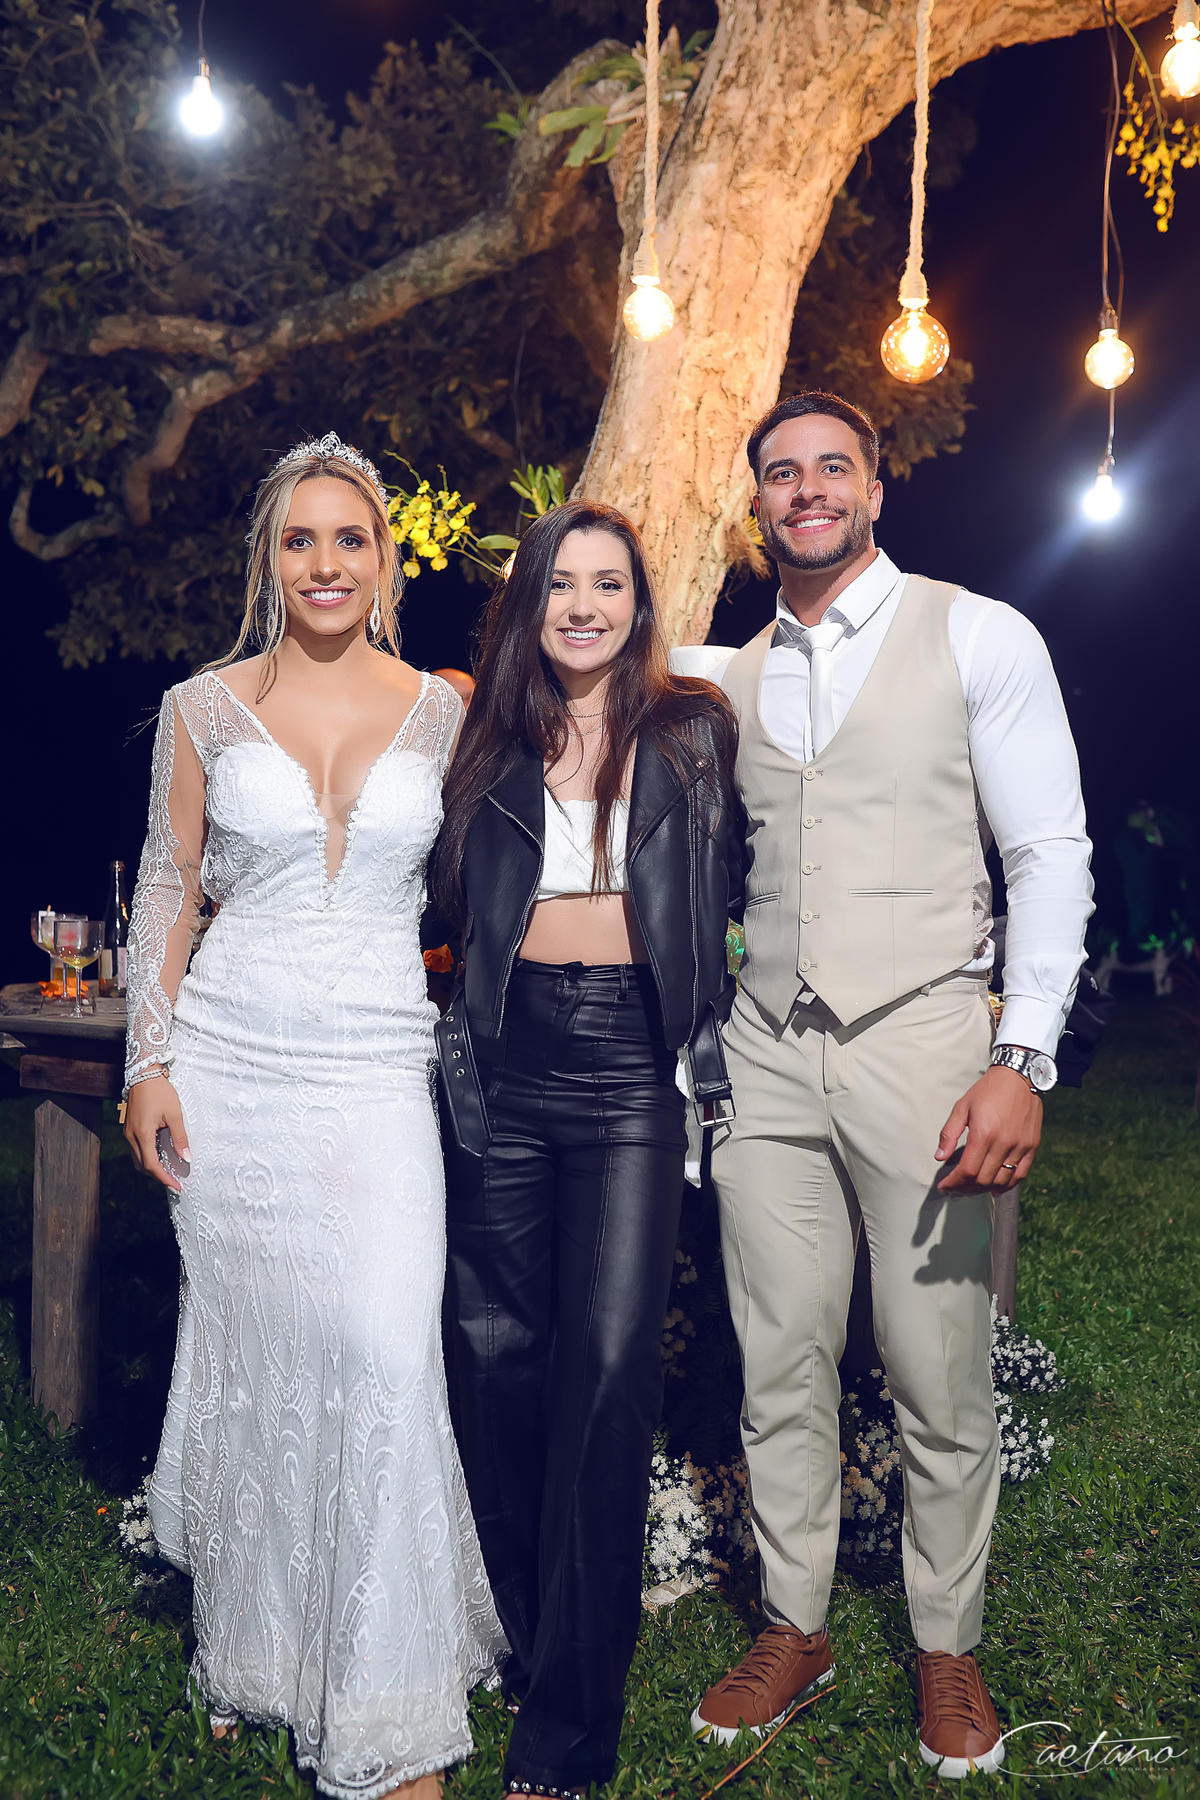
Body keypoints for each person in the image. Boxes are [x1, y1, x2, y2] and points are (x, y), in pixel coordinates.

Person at [685, 393, 1093, 1778]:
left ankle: (946, 1643)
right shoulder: (730, 676)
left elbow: (1047, 853)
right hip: (765, 1051)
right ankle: (794, 1625)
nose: (806, 489)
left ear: (875, 488)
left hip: (926, 1042)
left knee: (937, 1367)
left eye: (832, 468)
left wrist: (1021, 1056)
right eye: (780, 473)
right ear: (758, 504)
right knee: (779, 1355)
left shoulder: (979, 634)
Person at [122, 432, 505, 1800]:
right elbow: (167, 890)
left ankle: (388, 1713)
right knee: (264, 1362)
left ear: (386, 564)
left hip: (375, 1071)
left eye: (351, 539)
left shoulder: (448, 712)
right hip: (232, 1067)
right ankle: (265, 1651)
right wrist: (148, 1063)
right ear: (268, 562)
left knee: (385, 1353)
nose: (326, 563)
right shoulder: (200, 708)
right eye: (301, 540)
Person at [432, 500, 741, 1800]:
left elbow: (739, 886)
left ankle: (568, 1726)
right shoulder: (481, 738)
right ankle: (531, 1631)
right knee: (496, 1362)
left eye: (608, 584)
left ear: (638, 604)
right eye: (561, 583)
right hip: (502, 1060)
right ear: (530, 601)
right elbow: (432, 900)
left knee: (607, 1374)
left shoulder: (692, 731)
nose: (584, 606)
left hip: (629, 1068)